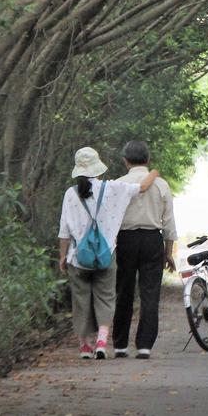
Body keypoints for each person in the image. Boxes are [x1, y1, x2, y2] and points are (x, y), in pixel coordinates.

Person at [58, 146, 159, 360]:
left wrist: (62, 256)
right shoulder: (112, 188)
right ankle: (102, 342)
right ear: (98, 169)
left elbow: (64, 230)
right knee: (105, 298)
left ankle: (85, 347)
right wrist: (154, 172)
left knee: (81, 300)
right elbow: (143, 187)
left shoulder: (70, 193)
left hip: (78, 257)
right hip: (106, 254)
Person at [112, 140, 178, 360]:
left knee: (124, 291)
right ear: (148, 160)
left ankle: (120, 344)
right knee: (150, 293)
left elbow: (111, 218)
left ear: (125, 161)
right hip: (152, 239)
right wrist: (168, 252)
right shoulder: (161, 185)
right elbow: (169, 222)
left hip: (126, 239)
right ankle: (144, 345)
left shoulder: (118, 184)